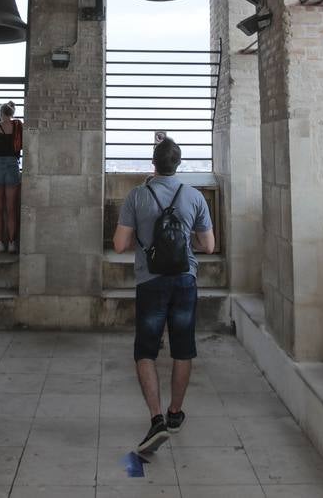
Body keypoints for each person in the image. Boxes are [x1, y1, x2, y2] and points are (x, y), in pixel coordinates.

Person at [111, 137, 215, 454]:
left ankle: (156, 418)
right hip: (185, 281)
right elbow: (209, 246)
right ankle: (174, 414)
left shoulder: (137, 196)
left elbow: (119, 244)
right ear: (178, 163)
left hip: (150, 282)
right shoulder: (194, 197)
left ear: (153, 164)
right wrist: (186, 243)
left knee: (146, 350)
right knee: (183, 348)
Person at [0, 101, 23, 253]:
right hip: (12, 165)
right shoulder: (16, 126)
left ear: (1, 113)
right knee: (11, 208)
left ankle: (0, 243)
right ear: (12, 113)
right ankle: (12, 242)